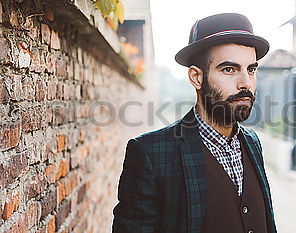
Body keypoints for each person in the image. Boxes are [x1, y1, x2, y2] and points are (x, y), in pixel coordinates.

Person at [112, 13, 277, 233]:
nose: (246, 83)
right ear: (196, 78)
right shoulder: (150, 153)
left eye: (251, 69)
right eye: (230, 69)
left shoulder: (253, 142)